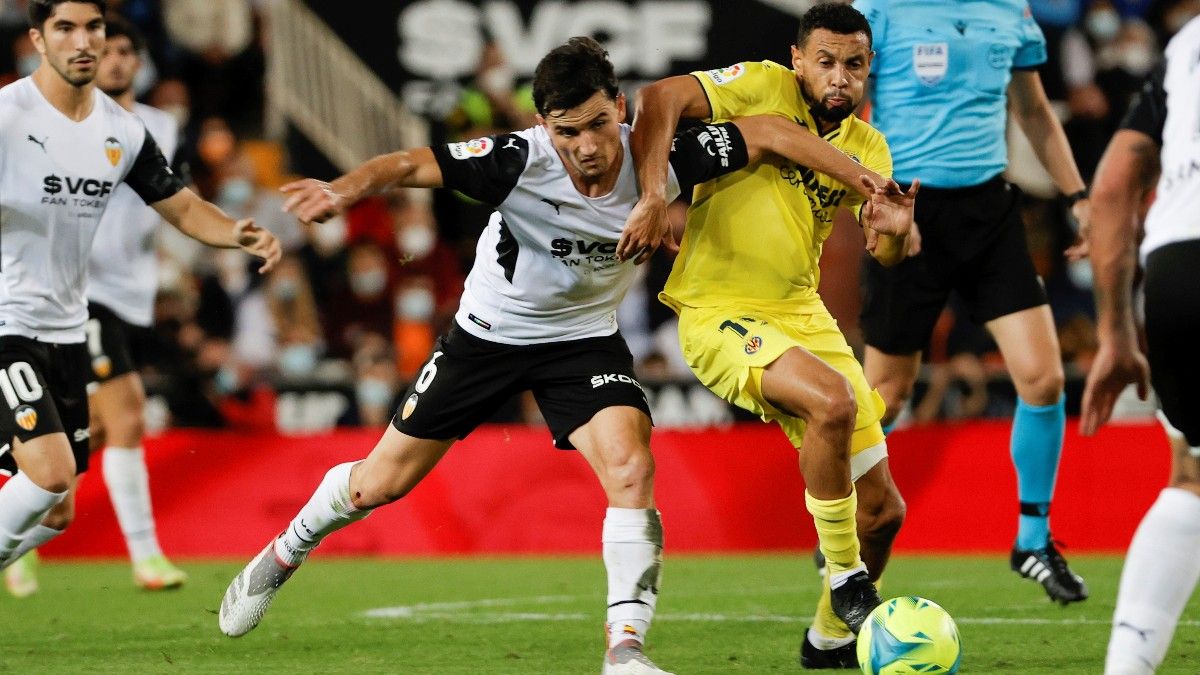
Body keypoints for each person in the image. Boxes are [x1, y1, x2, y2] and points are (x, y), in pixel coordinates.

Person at [216, 35, 907, 674]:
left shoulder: (658, 155)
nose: (585, 147)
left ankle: (626, 651)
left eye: (598, 125)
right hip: (488, 336)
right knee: (379, 486)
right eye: (566, 131)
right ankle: (286, 549)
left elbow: (772, 134)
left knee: (632, 465)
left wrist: (868, 182)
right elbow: (409, 164)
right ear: (546, 128)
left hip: (581, 339)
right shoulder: (519, 160)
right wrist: (342, 189)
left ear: (622, 112)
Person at [622, 4, 917, 668]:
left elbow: (888, 248)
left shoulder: (869, 148)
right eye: (826, 61)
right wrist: (650, 194)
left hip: (801, 315)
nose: (839, 76)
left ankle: (828, 641)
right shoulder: (758, 85)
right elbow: (657, 98)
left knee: (884, 510)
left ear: (869, 70)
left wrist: (895, 236)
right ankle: (845, 578)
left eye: (854, 64)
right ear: (797, 60)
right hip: (718, 310)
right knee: (833, 401)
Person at [0, 0, 280, 575]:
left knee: (56, 509)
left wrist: (236, 232)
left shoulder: (123, 131)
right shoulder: (7, 117)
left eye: (93, 28)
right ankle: (147, 555)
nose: (83, 41)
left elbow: (179, 207)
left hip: (67, 332)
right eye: (65, 28)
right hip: (8, 324)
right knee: (49, 474)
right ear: (38, 39)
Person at [851, 0, 1091, 604]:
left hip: (990, 212)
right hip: (906, 209)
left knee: (1043, 381)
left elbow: (1033, 110)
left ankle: (1032, 541)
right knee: (885, 396)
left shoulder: (1010, 10)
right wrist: (878, 200)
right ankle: (846, 546)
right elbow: (842, 114)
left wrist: (1079, 197)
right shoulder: (879, 11)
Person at [4, 16, 187, 598]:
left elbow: (169, 204)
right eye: (106, 51)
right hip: (80, 297)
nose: (110, 60)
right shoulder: (35, 119)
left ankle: (18, 515)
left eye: (123, 51)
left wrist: (201, 250)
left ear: (135, 61)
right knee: (128, 414)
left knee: (75, 472)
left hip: (132, 295)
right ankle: (147, 555)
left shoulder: (152, 128)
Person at [1080, 18, 1200, 671]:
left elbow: (1110, 190)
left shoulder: (1185, 45)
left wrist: (1114, 332)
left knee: (1191, 475)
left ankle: (1127, 665)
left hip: (1177, 264)